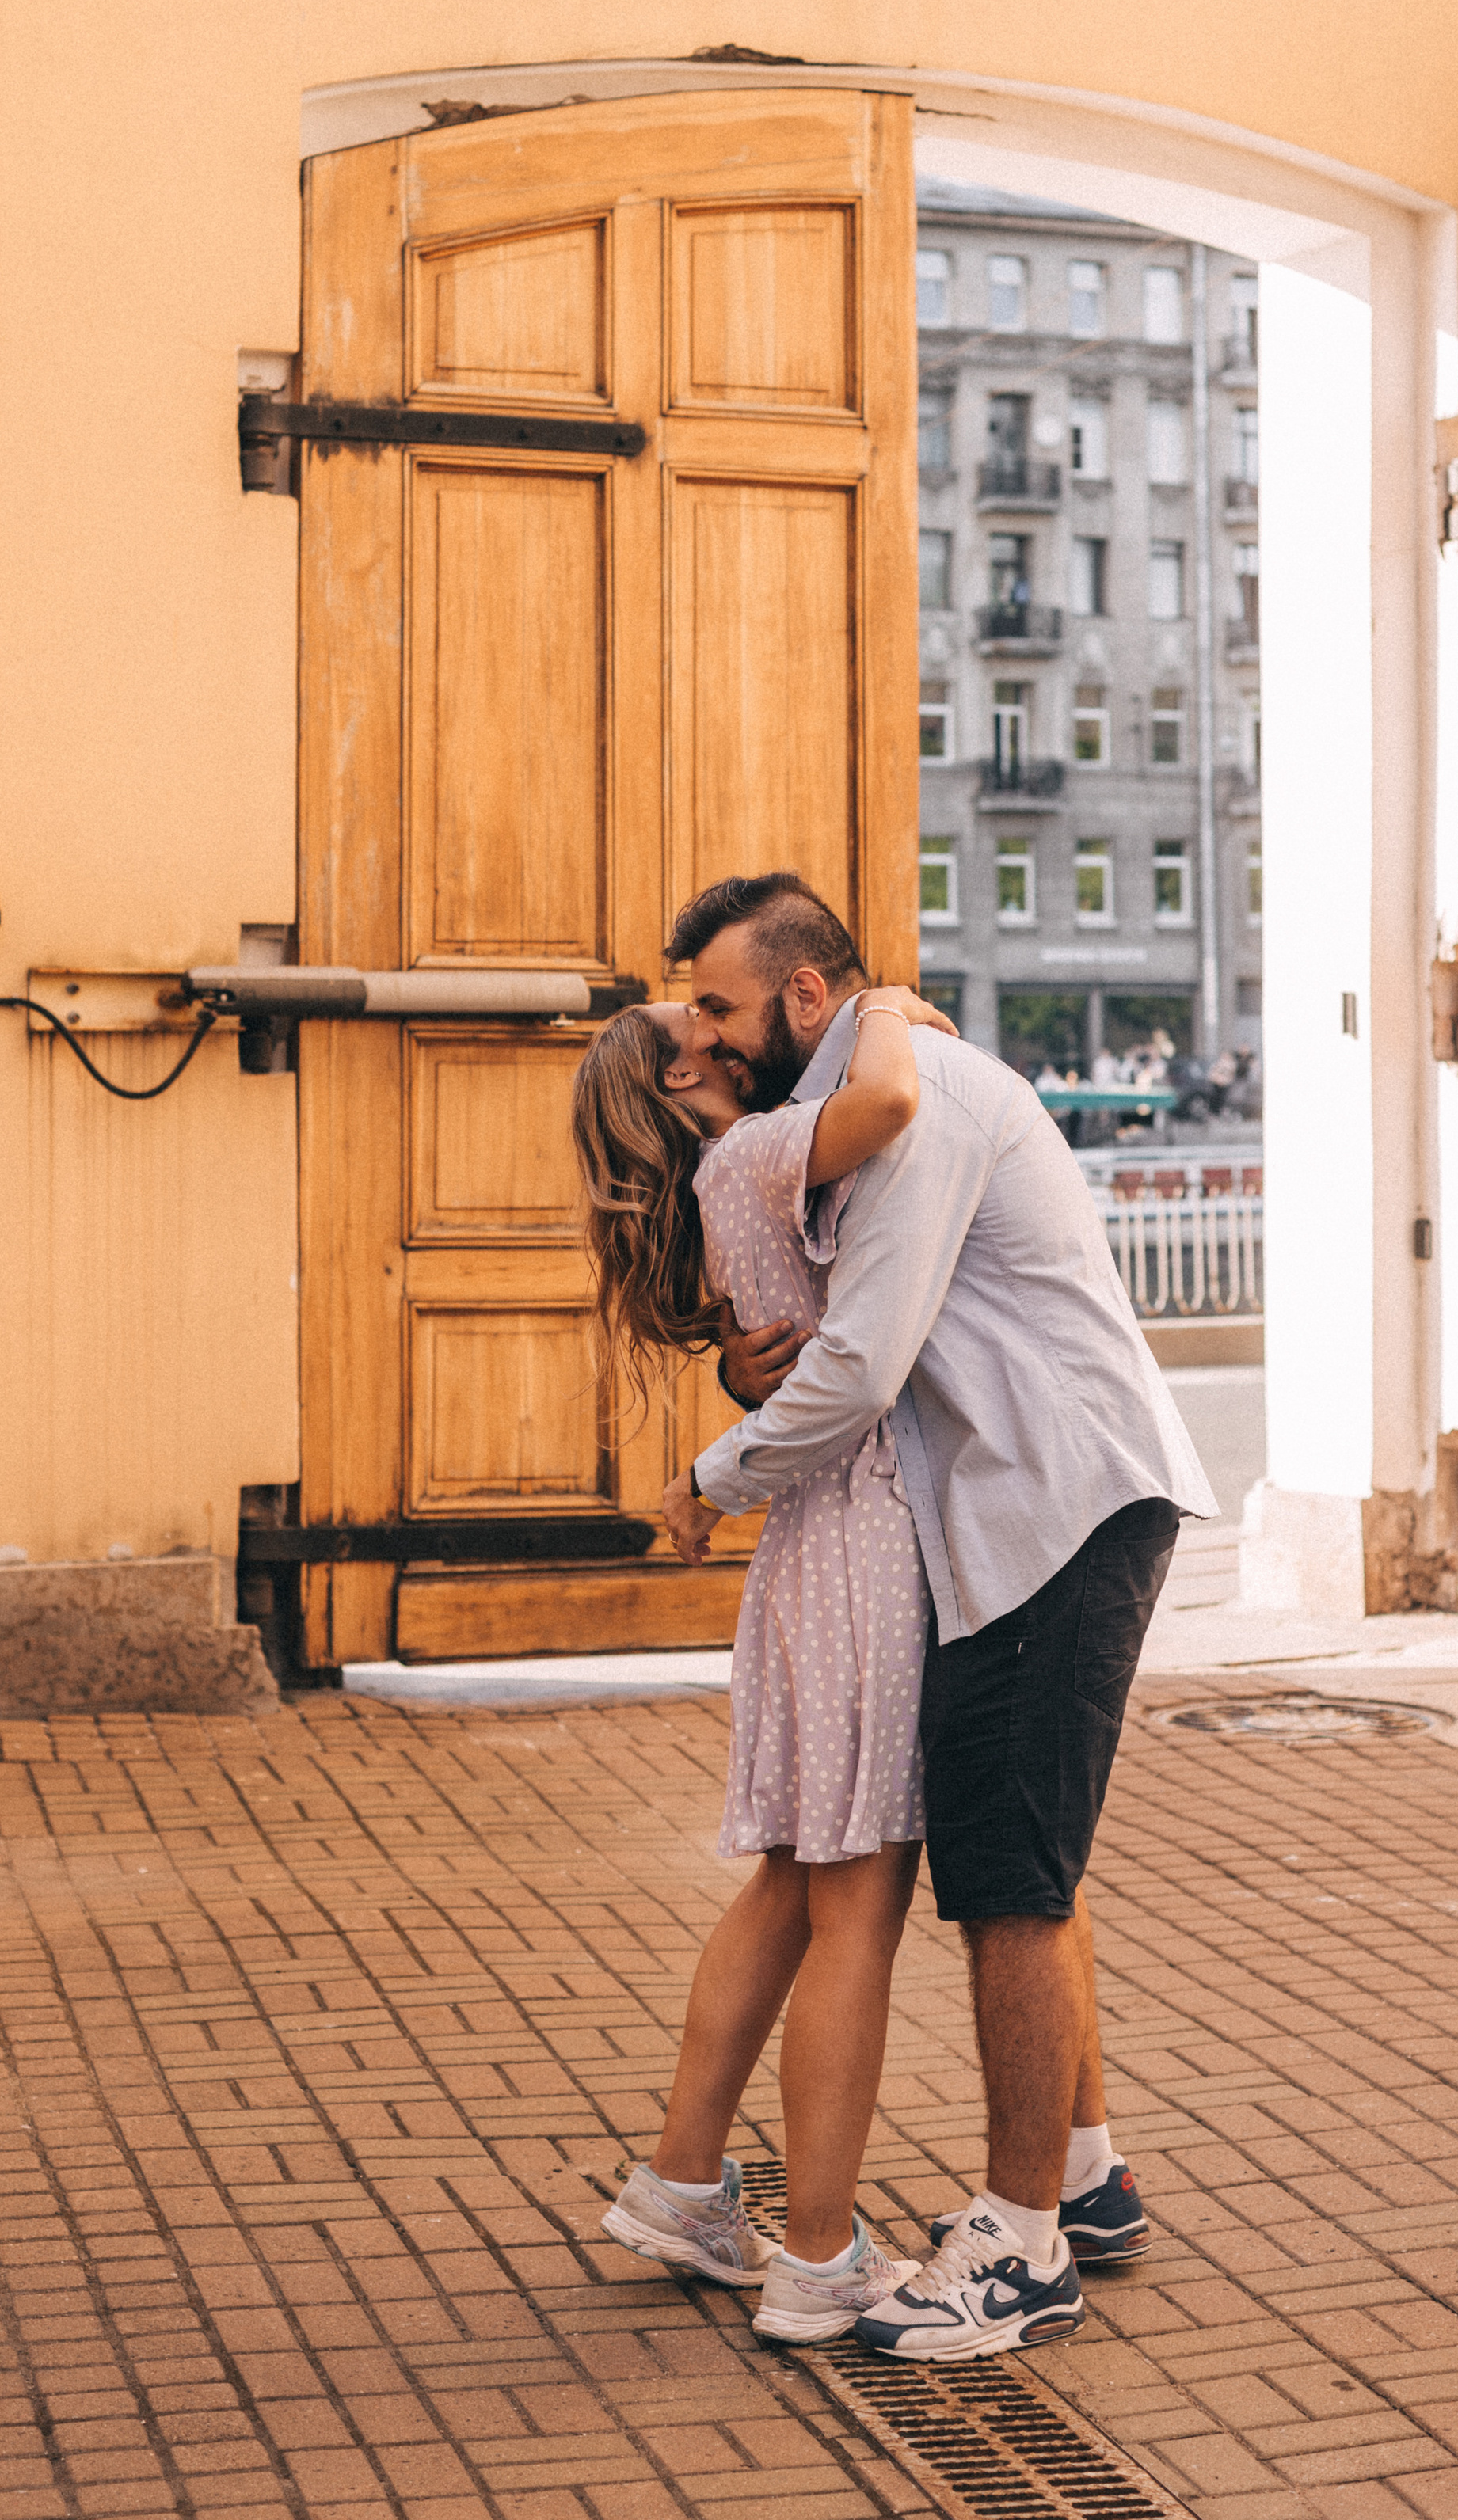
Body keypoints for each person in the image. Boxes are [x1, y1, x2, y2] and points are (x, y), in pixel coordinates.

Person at [671, 871, 1216, 2364]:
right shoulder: (853, 1108)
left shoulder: (922, 1108)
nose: (708, 1041)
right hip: (1008, 1522)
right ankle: (1087, 2178)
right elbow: (820, 1348)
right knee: (1026, 1854)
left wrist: (708, 1478)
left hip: (1059, 1510)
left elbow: (861, 1364)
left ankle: (1020, 2244)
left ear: (799, 995)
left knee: (1008, 1888)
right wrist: (746, 1368)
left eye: (721, 1007)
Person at [571, 981, 954, 2343]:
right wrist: (892, 1003)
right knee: (856, 1909)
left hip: (807, 1552)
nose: (724, 1033)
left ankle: (683, 2182)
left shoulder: (728, 1177)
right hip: (860, 1542)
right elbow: (893, 1099)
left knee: (791, 1884)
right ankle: (821, 2256)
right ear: (680, 1086)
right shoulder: (750, 1153)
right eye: (698, 1025)